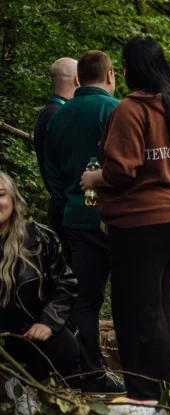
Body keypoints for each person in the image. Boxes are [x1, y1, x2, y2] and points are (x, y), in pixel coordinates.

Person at [80, 37, 170, 409]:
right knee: (158, 311)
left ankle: (156, 394)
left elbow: (122, 170)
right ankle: (159, 391)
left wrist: (92, 179)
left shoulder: (131, 109)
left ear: (131, 69)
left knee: (134, 313)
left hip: (141, 222)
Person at [43, 50, 124, 394]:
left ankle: (89, 373)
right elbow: (126, 168)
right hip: (115, 220)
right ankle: (138, 372)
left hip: (75, 219)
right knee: (127, 300)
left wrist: (69, 206)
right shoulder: (115, 109)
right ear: (110, 76)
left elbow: (51, 173)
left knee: (85, 301)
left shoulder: (57, 116)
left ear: (79, 79)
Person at [0, 171, 79, 415]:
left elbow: (66, 283)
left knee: (67, 350)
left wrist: (48, 321)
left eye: (0, 194)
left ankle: (28, 385)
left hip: (28, 332)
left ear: (13, 199)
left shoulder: (39, 237)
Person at [34, 57, 79, 264]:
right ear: (78, 80)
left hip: (59, 204)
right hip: (67, 206)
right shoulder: (60, 115)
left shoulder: (47, 112)